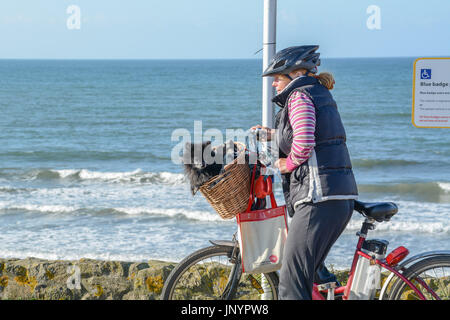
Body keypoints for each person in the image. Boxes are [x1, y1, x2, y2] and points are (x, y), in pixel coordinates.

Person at [251, 45, 358, 300]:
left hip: (317, 199)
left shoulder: (299, 97)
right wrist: (271, 135)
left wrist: (283, 165)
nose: (274, 84)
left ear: (296, 73)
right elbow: (309, 135)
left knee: (292, 283)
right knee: (312, 275)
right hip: (336, 196)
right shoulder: (316, 93)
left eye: (277, 77)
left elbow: (304, 144)